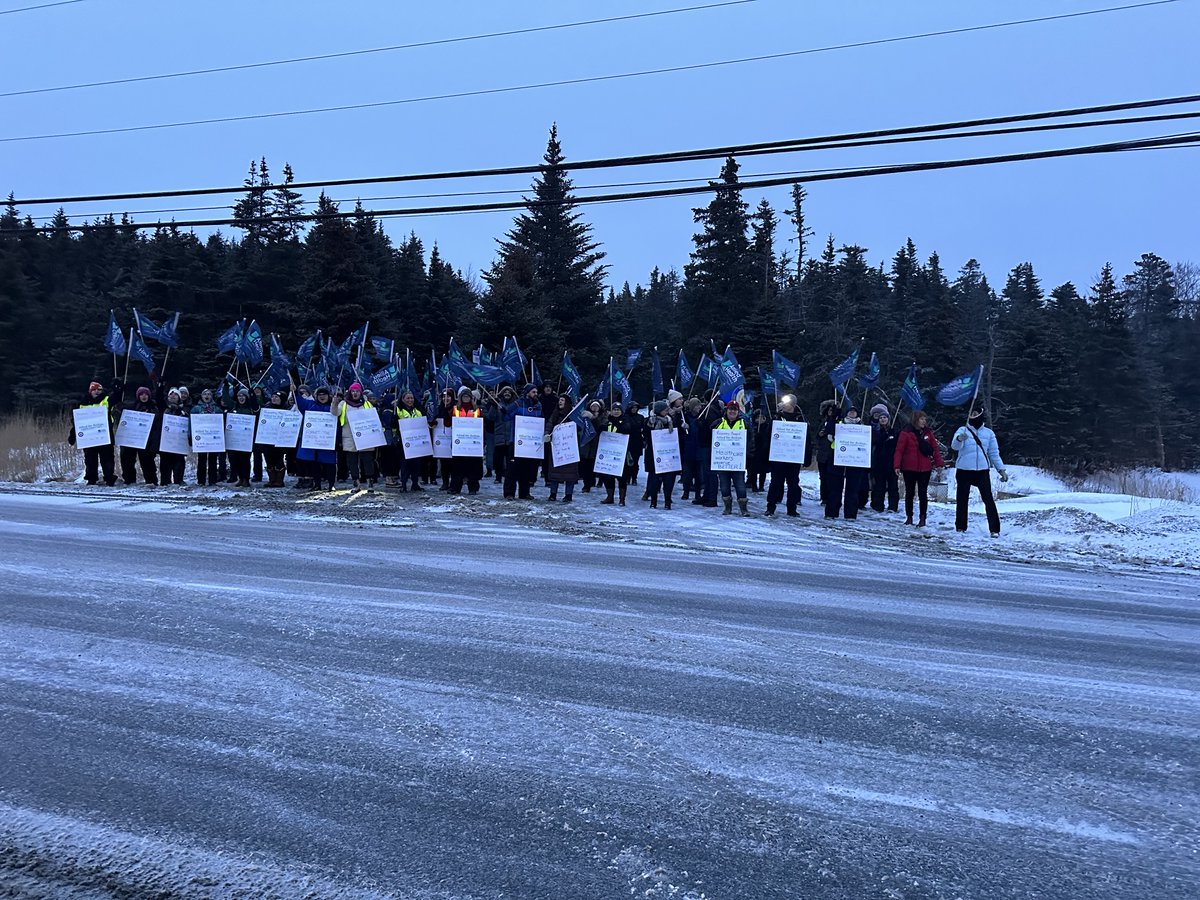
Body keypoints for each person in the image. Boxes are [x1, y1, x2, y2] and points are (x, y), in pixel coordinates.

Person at [951, 408, 1009, 536]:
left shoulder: (989, 433)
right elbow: (954, 446)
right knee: (962, 499)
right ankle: (960, 527)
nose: (973, 416)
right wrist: (959, 439)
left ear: (981, 415)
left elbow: (994, 453)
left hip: (982, 471)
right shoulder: (962, 430)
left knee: (988, 499)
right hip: (964, 470)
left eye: (976, 414)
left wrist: (1001, 470)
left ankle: (994, 529)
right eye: (971, 414)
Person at [893, 409, 945, 527]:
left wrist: (939, 463)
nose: (924, 421)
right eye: (922, 419)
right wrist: (897, 465)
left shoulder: (928, 433)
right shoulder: (906, 432)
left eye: (925, 419)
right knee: (909, 493)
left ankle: (922, 518)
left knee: (922, 494)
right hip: (909, 467)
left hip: (925, 468)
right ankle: (909, 516)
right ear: (916, 420)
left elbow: (935, 449)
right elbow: (899, 450)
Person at [71, 378, 122, 486]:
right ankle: (91, 479)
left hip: (105, 434)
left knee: (107, 458)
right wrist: (73, 434)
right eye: (95, 390)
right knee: (90, 459)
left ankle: (109, 478)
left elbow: (117, 398)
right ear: (90, 391)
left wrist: (117, 388)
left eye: (99, 390)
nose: (97, 392)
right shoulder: (83, 403)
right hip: (88, 436)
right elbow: (77, 420)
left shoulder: (106, 400)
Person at [765, 394, 809, 517]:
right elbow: (768, 437)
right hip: (778, 457)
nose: (785, 405)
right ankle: (770, 507)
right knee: (775, 483)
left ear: (793, 405)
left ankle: (792, 508)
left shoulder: (800, 419)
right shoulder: (777, 418)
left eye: (788, 403)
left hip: (794, 458)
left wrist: (807, 456)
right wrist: (767, 454)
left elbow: (807, 439)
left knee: (793, 484)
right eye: (784, 403)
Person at [333, 382, 377, 491]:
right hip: (349, 436)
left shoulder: (367, 404)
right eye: (353, 391)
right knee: (352, 461)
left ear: (360, 392)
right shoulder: (343, 404)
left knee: (367, 460)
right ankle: (356, 483)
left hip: (365, 436)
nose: (355, 393)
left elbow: (373, 418)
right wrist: (334, 404)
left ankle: (370, 483)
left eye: (357, 391)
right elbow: (335, 413)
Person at [504, 384, 542, 500]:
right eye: (533, 392)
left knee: (527, 469)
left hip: (530, 443)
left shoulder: (538, 406)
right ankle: (509, 493)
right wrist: (504, 411)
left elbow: (541, 420)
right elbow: (506, 417)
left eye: (536, 392)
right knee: (512, 468)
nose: (535, 394)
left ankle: (524, 492)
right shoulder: (518, 403)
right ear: (527, 393)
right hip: (516, 441)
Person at [295, 386, 337, 491]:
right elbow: (299, 401)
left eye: (324, 394)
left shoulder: (333, 407)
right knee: (315, 463)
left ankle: (331, 485)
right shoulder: (310, 405)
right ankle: (317, 484)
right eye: (320, 395)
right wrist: (295, 390)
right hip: (314, 441)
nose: (322, 397)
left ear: (329, 396)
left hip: (328, 440)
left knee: (330, 463)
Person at [715, 400, 752, 517]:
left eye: (735, 410)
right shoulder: (718, 423)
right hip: (723, 461)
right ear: (727, 410)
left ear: (738, 412)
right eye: (730, 409)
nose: (732, 412)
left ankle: (744, 509)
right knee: (724, 486)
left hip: (738, 462)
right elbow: (708, 435)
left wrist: (747, 454)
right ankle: (727, 507)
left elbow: (750, 439)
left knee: (740, 485)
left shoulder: (744, 423)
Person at [118, 384, 161, 486]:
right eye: (141, 394)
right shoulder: (131, 407)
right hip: (132, 438)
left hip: (147, 438)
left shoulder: (153, 407)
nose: (144, 396)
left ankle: (151, 481)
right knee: (127, 459)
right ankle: (129, 480)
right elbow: (121, 410)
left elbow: (157, 421)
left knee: (147, 461)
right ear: (138, 396)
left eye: (146, 394)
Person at [598, 401, 636, 506]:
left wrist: (616, 423)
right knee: (607, 476)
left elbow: (627, 429)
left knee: (622, 477)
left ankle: (622, 499)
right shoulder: (607, 421)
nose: (616, 411)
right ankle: (609, 497)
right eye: (614, 409)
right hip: (608, 452)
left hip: (621, 452)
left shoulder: (626, 420)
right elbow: (600, 430)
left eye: (618, 410)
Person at [221, 383, 259, 488]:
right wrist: (226, 387)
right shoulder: (234, 406)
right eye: (239, 396)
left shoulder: (251, 408)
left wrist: (252, 395)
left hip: (246, 439)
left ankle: (246, 478)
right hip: (234, 439)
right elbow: (226, 399)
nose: (241, 398)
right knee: (235, 460)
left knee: (245, 460)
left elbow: (256, 405)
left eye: (243, 396)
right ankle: (240, 478)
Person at [544, 394, 580, 502]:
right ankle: (553, 494)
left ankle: (568, 495)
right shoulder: (555, 414)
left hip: (569, 448)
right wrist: (547, 434)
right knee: (554, 472)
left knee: (570, 474)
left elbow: (579, 427)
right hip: (557, 447)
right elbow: (550, 424)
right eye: (559, 400)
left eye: (563, 400)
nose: (560, 402)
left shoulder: (573, 415)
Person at [646, 399, 681, 509]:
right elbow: (646, 435)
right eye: (665, 410)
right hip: (654, 454)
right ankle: (653, 501)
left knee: (669, 479)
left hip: (669, 454)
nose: (667, 411)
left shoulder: (670, 421)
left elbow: (677, 433)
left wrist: (682, 426)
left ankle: (667, 501)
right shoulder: (649, 421)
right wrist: (650, 426)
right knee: (655, 479)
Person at [449, 386, 483, 494]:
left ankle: (472, 488)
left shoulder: (477, 410)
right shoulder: (455, 409)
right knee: (457, 467)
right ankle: (455, 488)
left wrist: (482, 440)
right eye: (464, 396)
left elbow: (482, 425)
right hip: (459, 443)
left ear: (471, 398)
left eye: (468, 396)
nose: (466, 398)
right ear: (460, 397)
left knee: (472, 467)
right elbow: (448, 423)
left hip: (473, 443)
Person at [869, 403, 899, 513]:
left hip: (891, 463)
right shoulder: (876, 431)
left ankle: (892, 507)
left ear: (888, 419)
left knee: (893, 486)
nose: (882, 419)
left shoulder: (894, 431)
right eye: (881, 417)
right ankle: (877, 506)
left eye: (884, 417)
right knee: (879, 486)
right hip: (879, 463)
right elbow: (875, 441)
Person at [191, 388, 225, 487]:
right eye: (205, 394)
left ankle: (212, 480)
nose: (207, 396)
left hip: (213, 439)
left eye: (209, 394)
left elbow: (221, 423)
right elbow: (191, 423)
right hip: (201, 438)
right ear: (201, 396)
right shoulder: (196, 409)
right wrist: (190, 435)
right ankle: (201, 480)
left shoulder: (217, 409)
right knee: (201, 459)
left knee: (213, 460)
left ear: (212, 396)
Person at [395, 390, 426, 491]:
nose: (410, 400)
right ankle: (403, 484)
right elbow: (393, 424)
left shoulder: (417, 410)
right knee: (405, 464)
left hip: (416, 441)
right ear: (403, 399)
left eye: (411, 398)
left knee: (416, 464)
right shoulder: (398, 410)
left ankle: (415, 484)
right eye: (407, 398)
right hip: (404, 441)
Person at [159, 386, 189, 486]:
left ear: (179, 397)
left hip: (179, 442)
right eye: (171, 394)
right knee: (165, 462)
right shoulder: (163, 408)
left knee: (179, 461)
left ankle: (178, 481)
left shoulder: (183, 410)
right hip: (165, 441)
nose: (173, 396)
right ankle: (165, 482)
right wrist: (160, 386)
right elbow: (158, 398)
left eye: (176, 394)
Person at [261, 390, 289, 487]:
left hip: (280, 439)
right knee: (268, 458)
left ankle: (279, 480)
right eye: (272, 397)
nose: (274, 399)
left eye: (276, 397)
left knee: (279, 459)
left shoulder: (286, 409)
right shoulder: (267, 408)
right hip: (267, 438)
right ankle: (271, 479)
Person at [815, 399, 840, 509]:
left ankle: (832, 497)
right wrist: (819, 435)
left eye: (832, 410)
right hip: (823, 454)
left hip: (834, 455)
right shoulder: (822, 422)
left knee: (832, 478)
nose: (831, 412)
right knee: (823, 477)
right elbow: (817, 436)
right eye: (829, 410)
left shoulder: (839, 422)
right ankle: (824, 497)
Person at [748, 404, 772, 493]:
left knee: (763, 471)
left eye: (762, 418)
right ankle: (754, 486)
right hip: (754, 452)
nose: (760, 419)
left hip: (764, 452)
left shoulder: (768, 427)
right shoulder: (752, 427)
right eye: (758, 417)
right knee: (753, 471)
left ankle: (761, 486)